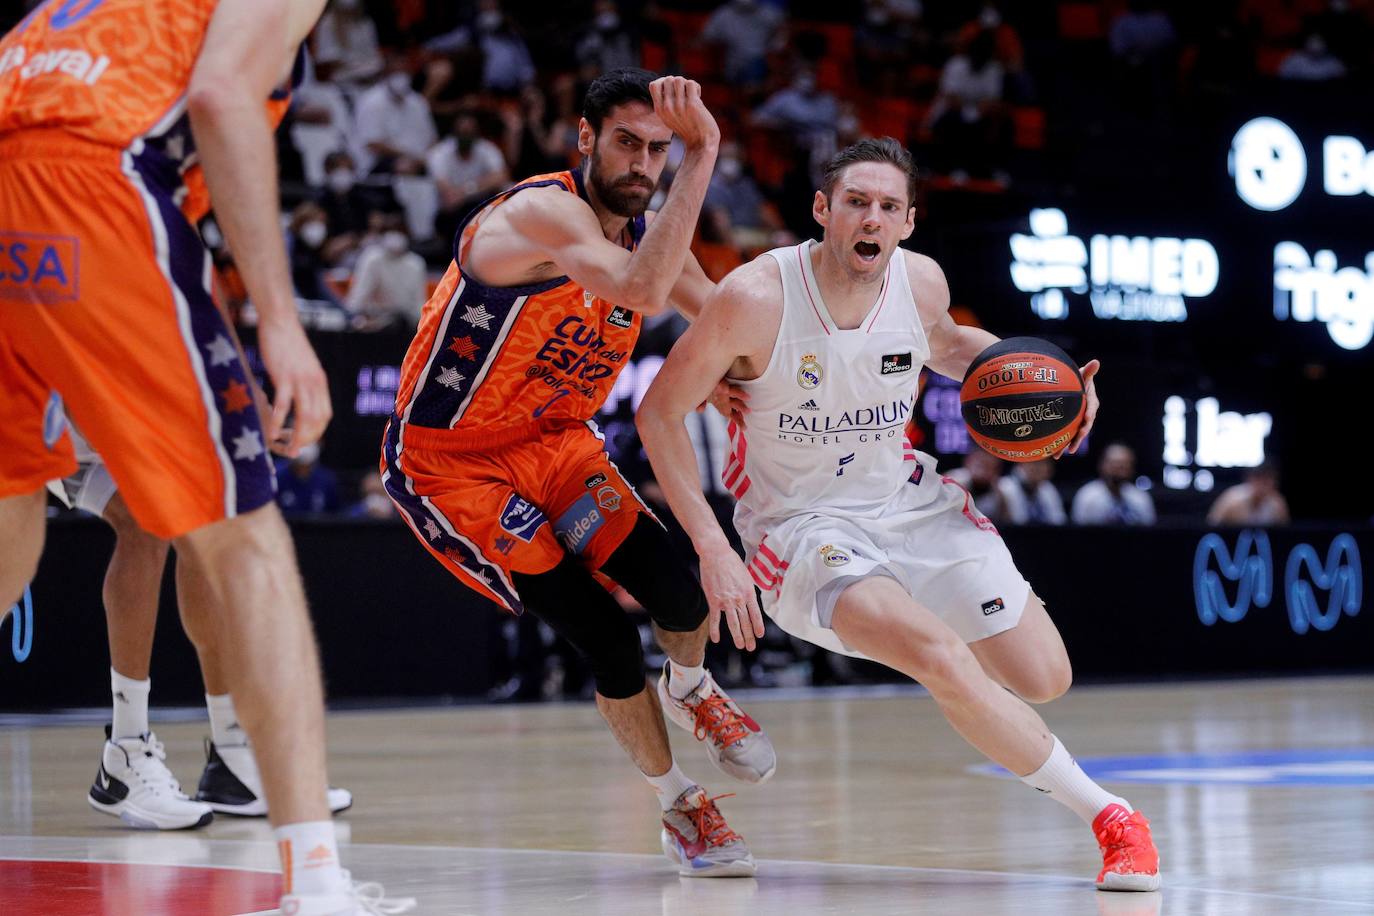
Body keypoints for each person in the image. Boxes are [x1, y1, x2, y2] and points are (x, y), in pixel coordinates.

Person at [637, 137, 1161, 893]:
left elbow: (949, 345)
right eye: (855, 201)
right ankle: (1113, 818)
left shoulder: (919, 283)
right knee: (938, 654)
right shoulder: (754, 298)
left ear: (908, 221)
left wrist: (1059, 395)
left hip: (909, 503)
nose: (870, 218)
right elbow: (659, 415)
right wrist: (713, 549)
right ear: (822, 211)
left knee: (1044, 676)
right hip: (802, 529)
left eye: (887, 206)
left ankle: (975, 665)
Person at [0, 2, 408, 912]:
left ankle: (213, 753)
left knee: (11, 516)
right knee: (247, 538)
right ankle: (315, 882)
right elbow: (223, 97)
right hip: (91, 184)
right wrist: (282, 320)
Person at [381, 68, 773, 877]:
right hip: (453, 463)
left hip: (557, 442)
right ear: (586, 139)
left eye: (660, 149)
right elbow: (644, 287)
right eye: (629, 143)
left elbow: (716, 304)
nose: (644, 163)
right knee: (603, 637)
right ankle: (678, 805)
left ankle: (694, 689)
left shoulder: (645, 231)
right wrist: (704, 156)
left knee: (678, 591)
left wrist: (754, 371)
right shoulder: (539, 212)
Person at [49, 425, 354, 828]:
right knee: (146, 519)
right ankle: (125, 749)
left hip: (133, 406)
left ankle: (233, 756)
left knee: (205, 517)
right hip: (63, 404)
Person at [1072, 443, 1156, 526]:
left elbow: (1150, 532)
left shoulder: (1141, 498)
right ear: (1102, 465)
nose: (1118, 469)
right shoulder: (1087, 495)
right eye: (1114, 463)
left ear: (1132, 467)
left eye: (1123, 464)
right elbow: (1077, 532)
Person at [1206, 462, 1290, 527]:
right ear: (1251, 480)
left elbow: (1284, 533)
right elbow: (1212, 526)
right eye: (1261, 480)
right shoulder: (1232, 500)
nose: (1264, 486)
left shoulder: (1278, 504)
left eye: (1268, 481)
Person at [1003, 459, 1068, 525]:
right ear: (1020, 464)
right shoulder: (1005, 486)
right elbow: (1013, 522)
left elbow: (1059, 521)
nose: (1041, 468)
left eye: (1044, 464)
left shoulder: (1048, 489)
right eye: (1035, 463)